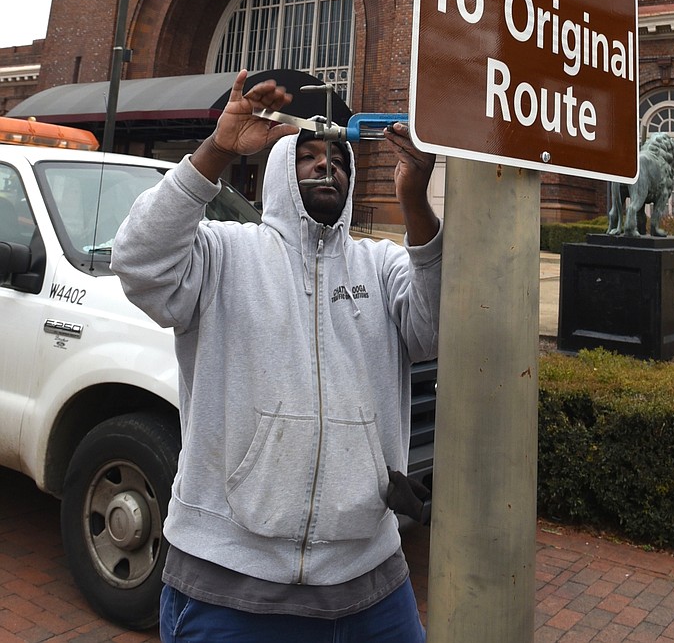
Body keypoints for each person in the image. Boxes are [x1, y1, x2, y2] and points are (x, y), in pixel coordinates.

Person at [112, 70, 441, 642]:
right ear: (278, 175)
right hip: (230, 584)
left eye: (337, 159)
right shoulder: (223, 253)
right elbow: (139, 262)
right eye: (307, 156)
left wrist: (416, 204)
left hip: (370, 582)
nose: (325, 166)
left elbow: (436, 330)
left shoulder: (379, 266)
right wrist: (215, 151)